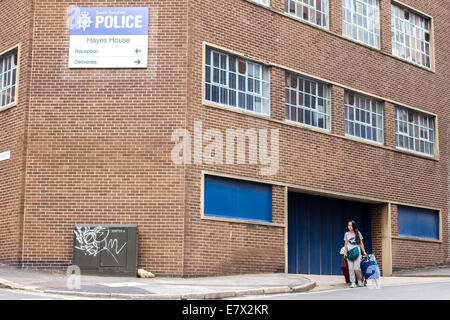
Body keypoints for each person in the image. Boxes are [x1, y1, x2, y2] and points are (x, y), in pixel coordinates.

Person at [343, 220, 367, 288]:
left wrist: (364, 251)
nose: (349, 227)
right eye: (348, 225)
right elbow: (346, 244)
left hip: (357, 252)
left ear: (354, 226)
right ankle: (353, 282)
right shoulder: (346, 234)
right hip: (350, 253)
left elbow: (361, 243)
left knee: (357, 268)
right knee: (351, 268)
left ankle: (359, 280)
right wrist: (345, 253)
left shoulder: (358, 233)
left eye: (351, 225)